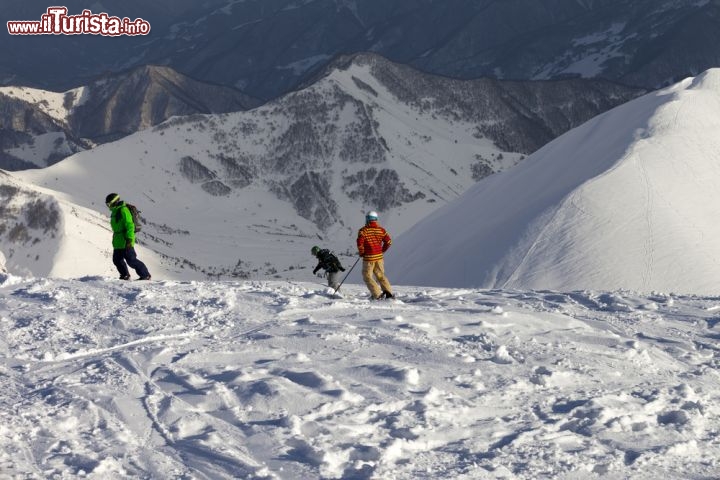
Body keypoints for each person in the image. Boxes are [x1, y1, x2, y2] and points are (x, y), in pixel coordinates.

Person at [105, 193, 151, 281]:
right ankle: (125, 275)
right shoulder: (115, 211)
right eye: (107, 204)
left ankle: (146, 275)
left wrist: (129, 239)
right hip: (118, 241)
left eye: (109, 204)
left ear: (115, 202)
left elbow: (130, 225)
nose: (108, 206)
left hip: (126, 240)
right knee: (117, 260)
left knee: (131, 260)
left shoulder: (123, 210)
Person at [357, 211, 394, 299]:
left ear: (368, 219)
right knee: (380, 275)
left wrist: (362, 252)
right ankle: (388, 293)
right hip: (379, 258)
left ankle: (377, 295)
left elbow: (360, 243)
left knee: (367, 276)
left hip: (368, 259)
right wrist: (382, 250)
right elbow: (389, 242)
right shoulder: (381, 230)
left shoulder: (363, 231)